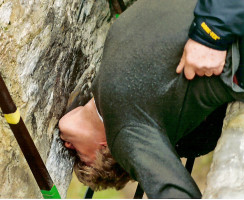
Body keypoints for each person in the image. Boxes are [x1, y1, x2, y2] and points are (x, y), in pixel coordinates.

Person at [59, 0, 244, 198]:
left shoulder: (108, 78)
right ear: (105, 147)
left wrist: (210, 32)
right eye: (80, 157)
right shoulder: (124, 130)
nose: (67, 145)